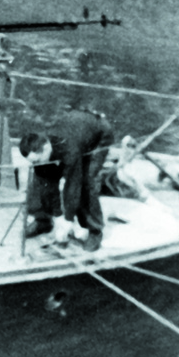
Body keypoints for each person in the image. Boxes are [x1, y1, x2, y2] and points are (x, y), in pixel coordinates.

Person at [18, 108, 115, 252]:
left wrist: (67, 220)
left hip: (98, 135)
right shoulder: (40, 146)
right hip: (76, 131)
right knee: (41, 180)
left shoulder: (70, 151)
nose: (36, 163)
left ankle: (95, 231)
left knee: (86, 183)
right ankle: (43, 221)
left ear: (45, 148)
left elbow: (73, 185)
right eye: (33, 161)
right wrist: (57, 215)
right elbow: (48, 183)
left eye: (37, 160)